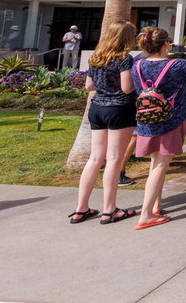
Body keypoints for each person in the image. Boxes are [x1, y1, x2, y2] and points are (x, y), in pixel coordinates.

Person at [132, 27, 186, 230]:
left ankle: (156, 207)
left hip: (147, 119)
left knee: (155, 165)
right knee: (160, 166)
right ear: (166, 44)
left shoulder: (137, 65)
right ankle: (145, 215)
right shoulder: (177, 65)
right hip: (171, 120)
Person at [69, 21, 138, 225]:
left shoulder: (96, 58)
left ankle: (81, 209)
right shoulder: (124, 59)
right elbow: (126, 88)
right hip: (119, 109)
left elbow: (89, 86)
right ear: (126, 37)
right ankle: (110, 210)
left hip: (97, 108)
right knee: (114, 159)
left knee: (95, 158)